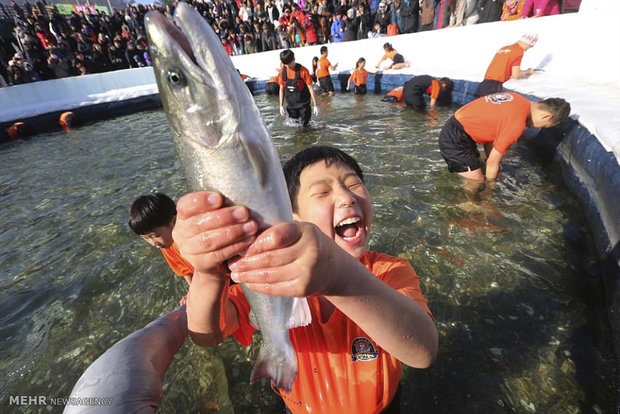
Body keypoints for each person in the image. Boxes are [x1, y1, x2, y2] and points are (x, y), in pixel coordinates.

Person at [173, 145, 438, 413]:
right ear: (293, 217)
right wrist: (208, 272)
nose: (347, 197)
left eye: (354, 184)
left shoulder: (389, 271)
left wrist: (340, 279)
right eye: (323, 192)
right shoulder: (268, 280)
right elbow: (207, 333)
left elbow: (423, 352)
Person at [438, 92, 570, 188]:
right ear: (546, 116)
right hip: (455, 138)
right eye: (545, 126)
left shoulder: (517, 98)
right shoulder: (517, 124)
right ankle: (466, 209)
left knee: (479, 167)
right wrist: (490, 189)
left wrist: (494, 168)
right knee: (477, 182)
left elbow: (492, 136)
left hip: (460, 129)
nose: (537, 129)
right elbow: (492, 163)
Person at [128, 193, 194, 288]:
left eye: (156, 235)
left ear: (174, 221)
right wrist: (191, 289)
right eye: (145, 238)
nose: (153, 243)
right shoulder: (166, 245)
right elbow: (185, 271)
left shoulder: (192, 238)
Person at [474, 33, 538, 98]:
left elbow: (502, 66)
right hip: (494, 86)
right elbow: (516, 75)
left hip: (483, 83)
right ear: (527, 43)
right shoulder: (519, 51)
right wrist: (528, 72)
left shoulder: (504, 48)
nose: (528, 49)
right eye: (530, 46)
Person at [278, 49, 319, 126]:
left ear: (294, 59)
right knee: (294, 127)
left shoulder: (303, 71)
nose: (288, 67)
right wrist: (281, 105)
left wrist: (315, 105)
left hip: (304, 106)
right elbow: (281, 89)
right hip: (291, 106)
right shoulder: (282, 72)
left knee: (305, 127)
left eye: (289, 64)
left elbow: (311, 88)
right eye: (285, 65)